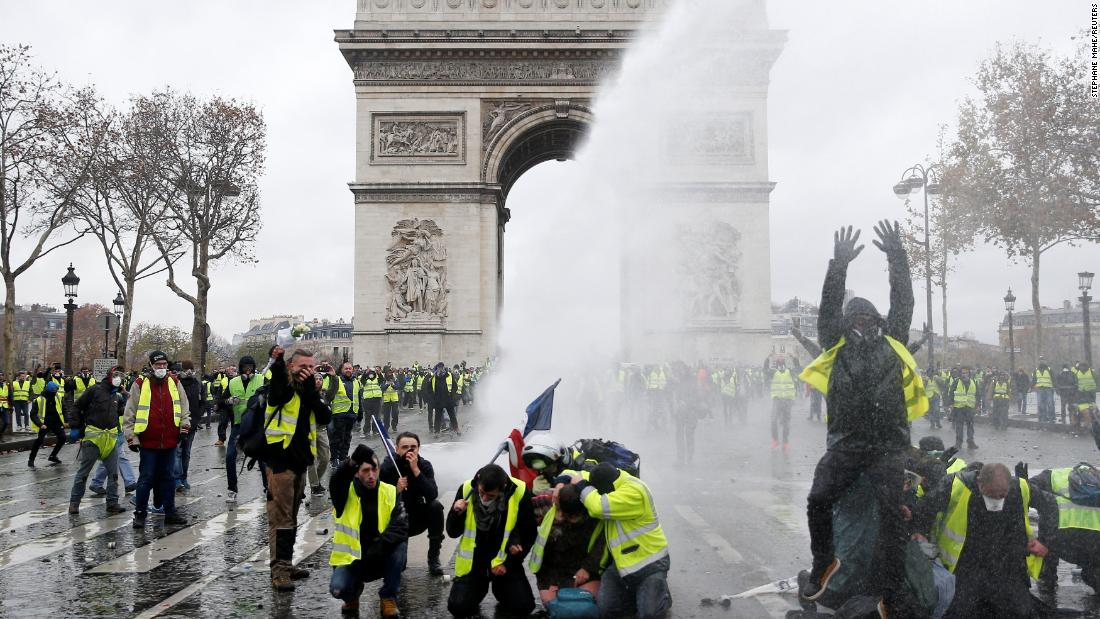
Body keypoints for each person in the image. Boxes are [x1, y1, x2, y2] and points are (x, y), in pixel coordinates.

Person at [797, 221, 923, 618]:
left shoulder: (894, 340)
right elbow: (830, 307)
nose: (864, 324)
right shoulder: (835, 344)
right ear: (848, 324)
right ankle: (824, 563)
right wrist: (839, 266)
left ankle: (890, 592)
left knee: (892, 521)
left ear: (879, 321)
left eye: (870, 319)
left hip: (887, 447)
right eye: (858, 319)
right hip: (847, 444)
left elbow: (903, 301)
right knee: (818, 500)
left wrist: (896, 256)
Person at [913, 462, 1055, 619]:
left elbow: (1050, 505)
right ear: (980, 482)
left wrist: (1045, 541)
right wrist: (920, 532)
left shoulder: (1019, 488)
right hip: (965, 564)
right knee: (960, 612)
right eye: (990, 494)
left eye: (1001, 496)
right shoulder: (955, 485)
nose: (996, 500)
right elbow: (924, 509)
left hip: (1007, 564)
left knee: (1019, 611)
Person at [562, 463, 670, 619]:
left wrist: (581, 485)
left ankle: (662, 596)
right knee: (607, 610)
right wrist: (562, 481)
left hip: (649, 564)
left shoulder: (634, 492)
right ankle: (638, 595)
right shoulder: (612, 479)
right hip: (621, 566)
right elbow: (574, 473)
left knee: (648, 614)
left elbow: (598, 506)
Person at [264, 347, 332, 590]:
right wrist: (278, 359)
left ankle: (287, 563)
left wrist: (313, 390)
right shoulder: (282, 386)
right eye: (302, 366)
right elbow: (278, 378)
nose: (308, 371)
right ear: (292, 367)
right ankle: (279, 571)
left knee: (292, 516)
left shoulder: (309, 390)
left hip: (301, 461)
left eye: (311, 367)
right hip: (280, 461)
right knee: (280, 518)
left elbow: (325, 417)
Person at [445, 463, 536, 617]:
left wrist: (508, 564)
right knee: (458, 607)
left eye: (491, 496)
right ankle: (478, 588)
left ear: (503, 487)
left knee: (524, 607)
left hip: (504, 561)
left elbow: (529, 534)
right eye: (481, 492)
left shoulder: (519, 491)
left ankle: (501, 589)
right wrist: (456, 514)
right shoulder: (467, 488)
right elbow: (452, 532)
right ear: (478, 482)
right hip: (474, 563)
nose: (485, 498)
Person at [329, 444, 407, 618]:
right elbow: (336, 480)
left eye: (374, 469)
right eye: (365, 470)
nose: (371, 475)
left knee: (400, 545)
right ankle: (352, 595)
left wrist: (377, 549)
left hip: (380, 555)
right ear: (357, 472)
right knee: (337, 589)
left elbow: (401, 526)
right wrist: (352, 461)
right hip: (352, 560)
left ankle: (388, 598)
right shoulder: (345, 493)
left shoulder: (391, 492)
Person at [123, 351, 190, 527]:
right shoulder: (140, 383)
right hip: (148, 441)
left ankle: (170, 512)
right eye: (158, 365)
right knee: (146, 478)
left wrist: (184, 427)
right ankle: (140, 514)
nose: (161, 368)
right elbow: (130, 411)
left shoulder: (174, 382)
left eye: (164, 364)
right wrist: (131, 437)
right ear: (151, 366)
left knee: (169, 478)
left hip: (169, 440)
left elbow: (184, 407)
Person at [379, 431, 445, 576]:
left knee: (436, 507)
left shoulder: (424, 465)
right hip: (396, 519)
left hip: (417, 516)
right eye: (405, 447)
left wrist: (416, 470)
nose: (409, 450)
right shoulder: (388, 466)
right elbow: (378, 501)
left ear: (418, 449)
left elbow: (432, 494)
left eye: (413, 447)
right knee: (399, 567)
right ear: (397, 449)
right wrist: (396, 490)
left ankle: (433, 558)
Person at [530, 483, 605, 609]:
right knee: (555, 606)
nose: (573, 519)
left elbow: (601, 545)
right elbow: (520, 511)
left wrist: (587, 568)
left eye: (576, 516)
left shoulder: (596, 514)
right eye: (570, 516)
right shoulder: (546, 505)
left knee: (584, 607)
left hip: (583, 570)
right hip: (552, 572)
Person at [1030, 464, 1100, 595]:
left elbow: (1028, 490)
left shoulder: (1054, 476)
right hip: (1095, 544)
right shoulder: (1096, 483)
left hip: (1059, 539)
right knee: (1094, 572)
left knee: (1046, 532)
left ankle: (1047, 582)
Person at [69, 366, 128, 515]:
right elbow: (77, 406)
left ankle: (112, 503)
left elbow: (120, 411)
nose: (118, 378)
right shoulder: (95, 390)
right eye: (116, 375)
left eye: (121, 375)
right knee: (84, 473)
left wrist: (126, 399)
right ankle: (74, 503)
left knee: (113, 473)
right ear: (109, 375)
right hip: (93, 438)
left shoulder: (117, 395)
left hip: (110, 439)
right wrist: (75, 426)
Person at [224, 355, 265, 502]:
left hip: (256, 425)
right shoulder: (233, 382)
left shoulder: (261, 379)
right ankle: (232, 488)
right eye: (245, 367)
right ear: (241, 368)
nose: (248, 370)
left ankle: (267, 487)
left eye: (250, 367)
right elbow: (221, 400)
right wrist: (229, 401)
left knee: (262, 458)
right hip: (239, 424)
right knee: (230, 457)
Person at [325, 361, 360, 470]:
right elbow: (329, 395)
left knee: (347, 438)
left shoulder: (356, 381)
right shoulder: (337, 380)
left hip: (352, 414)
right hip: (339, 414)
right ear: (342, 370)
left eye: (350, 368)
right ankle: (334, 459)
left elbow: (358, 398)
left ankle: (343, 458)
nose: (348, 370)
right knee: (337, 438)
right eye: (346, 369)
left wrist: (360, 414)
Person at [176, 361, 204, 493]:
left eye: (190, 369)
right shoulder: (176, 383)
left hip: (192, 424)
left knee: (186, 453)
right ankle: (176, 479)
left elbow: (203, 402)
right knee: (178, 452)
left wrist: (198, 417)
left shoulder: (197, 384)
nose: (188, 371)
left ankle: (183, 477)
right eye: (185, 369)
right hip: (178, 423)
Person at [28, 380, 68, 467]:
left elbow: (64, 409)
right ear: (49, 391)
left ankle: (53, 456)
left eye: (56, 391)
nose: (56, 392)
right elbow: (33, 414)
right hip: (44, 424)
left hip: (56, 422)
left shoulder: (58, 397)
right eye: (54, 391)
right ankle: (31, 459)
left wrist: (66, 421)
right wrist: (40, 424)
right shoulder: (39, 400)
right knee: (39, 440)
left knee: (63, 438)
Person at [948, 366, 980, 451]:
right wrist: (951, 404)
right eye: (962, 373)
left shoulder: (974, 382)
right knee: (959, 426)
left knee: (970, 426)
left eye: (965, 373)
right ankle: (958, 443)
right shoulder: (956, 382)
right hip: (959, 408)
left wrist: (977, 406)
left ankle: (970, 442)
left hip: (970, 407)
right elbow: (951, 393)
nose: (964, 374)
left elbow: (978, 394)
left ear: (969, 373)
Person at [423, 363, 458, 436]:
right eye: (439, 368)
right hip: (438, 400)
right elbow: (429, 388)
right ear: (437, 368)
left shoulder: (449, 375)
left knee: (452, 415)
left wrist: (452, 394)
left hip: (448, 399)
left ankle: (456, 429)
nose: (440, 369)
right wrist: (432, 397)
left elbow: (455, 386)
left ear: (443, 368)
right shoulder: (434, 377)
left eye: (441, 367)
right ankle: (436, 431)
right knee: (437, 417)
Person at [768, 358, 796, 450]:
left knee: (786, 422)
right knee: (773, 420)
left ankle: (785, 442)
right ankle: (775, 440)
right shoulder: (774, 372)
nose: (780, 365)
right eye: (778, 363)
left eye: (781, 363)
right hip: (777, 400)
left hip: (787, 400)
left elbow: (799, 370)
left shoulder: (790, 372)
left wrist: (795, 359)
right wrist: (767, 359)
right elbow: (765, 371)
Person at [213, 365, 235, 446]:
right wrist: (217, 403)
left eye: (232, 369)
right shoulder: (223, 380)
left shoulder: (238, 379)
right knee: (222, 422)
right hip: (224, 404)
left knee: (235, 423)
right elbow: (219, 393)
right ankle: (221, 439)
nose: (231, 371)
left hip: (235, 405)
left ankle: (235, 439)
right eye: (229, 369)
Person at [360, 367, 382, 438]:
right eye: (370, 373)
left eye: (372, 373)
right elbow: (362, 379)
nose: (371, 374)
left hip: (376, 399)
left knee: (376, 416)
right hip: (367, 400)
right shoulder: (365, 380)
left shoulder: (377, 379)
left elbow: (382, 379)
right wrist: (365, 372)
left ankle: (375, 430)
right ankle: (366, 431)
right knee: (367, 416)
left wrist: (379, 373)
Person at [1033, 359, 1056, 423]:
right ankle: (1043, 417)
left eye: (1042, 360)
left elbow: (1054, 379)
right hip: (1040, 388)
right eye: (1040, 360)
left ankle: (1050, 417)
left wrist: (1056, 387)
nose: (1041, 362)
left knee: (1049, 403)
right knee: (1041, 404)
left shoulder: (1049, 370)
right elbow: (1034, 379)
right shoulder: (1036, 370)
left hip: (1048, 388)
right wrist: (1031, 386)